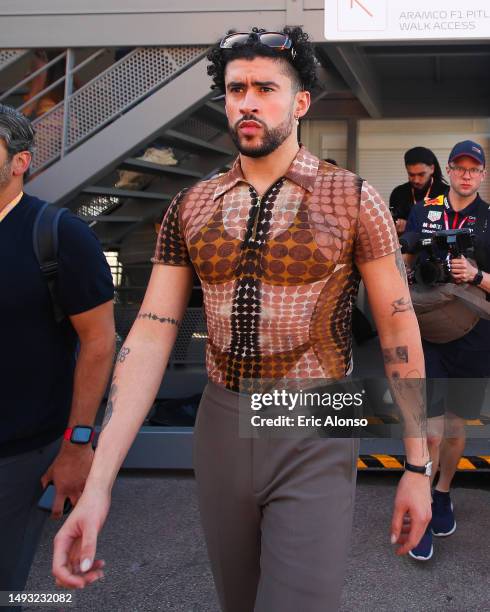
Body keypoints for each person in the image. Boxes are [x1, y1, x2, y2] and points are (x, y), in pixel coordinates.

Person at [52, 28, 431, 611]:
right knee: (238, 599)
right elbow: (151, 333)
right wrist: (99, 484)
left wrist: (416, 464)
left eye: (264, 88)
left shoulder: (354, 197)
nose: (246, 102)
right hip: (221, 415)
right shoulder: (191, 204)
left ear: (301, 102)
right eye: (235, 89)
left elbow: (399, 329)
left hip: (317, 410)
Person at [0, 104, 115, 603]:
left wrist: (78, 445)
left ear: (19, 161)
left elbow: (99, 342)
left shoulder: (58, 234)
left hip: (19, 454)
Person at [403, 140, 490, 561]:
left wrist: (476, 276)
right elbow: (403, 261)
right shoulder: (425, 211)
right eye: (460, 167)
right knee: (431, 429)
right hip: (429, 334)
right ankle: (419, 510)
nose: (467, 175)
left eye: (475, 169)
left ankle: (441, 493)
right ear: (449, 171)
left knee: (455, 428)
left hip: (476, 336)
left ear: (483, 174)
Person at [390, 147, 449, 235]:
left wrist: (409, 225)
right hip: (406, 246)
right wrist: (395, 226)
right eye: (411, 175)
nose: (416, 180)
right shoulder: (398, 193)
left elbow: (451, 226)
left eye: (421, 174)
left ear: (432, 169)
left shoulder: (446, 192)